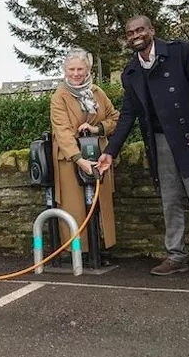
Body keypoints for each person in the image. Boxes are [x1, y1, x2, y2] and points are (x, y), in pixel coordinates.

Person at [97, 15, 189, 280]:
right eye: (130, 33)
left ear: (151, 30)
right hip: (160, 142)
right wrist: (110, 152)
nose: (135, 35)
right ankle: (176, 257)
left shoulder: (179, 51)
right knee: (170, 201)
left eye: (140, 30)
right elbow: (128, 114)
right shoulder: (130, 72)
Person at [50, 48, 120, 258]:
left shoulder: (98, 92)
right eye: (71, 69)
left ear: (88, 69)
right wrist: (79, 159)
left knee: (100, 201)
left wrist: (97, 129)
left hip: (97, 153)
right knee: (75, 206)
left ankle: (101, 249)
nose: (76, 73)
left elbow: (115, 118)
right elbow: (61, 132)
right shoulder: (59, 96)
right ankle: (76, 251)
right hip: (69, 157)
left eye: (80, 69)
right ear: (65, 70)